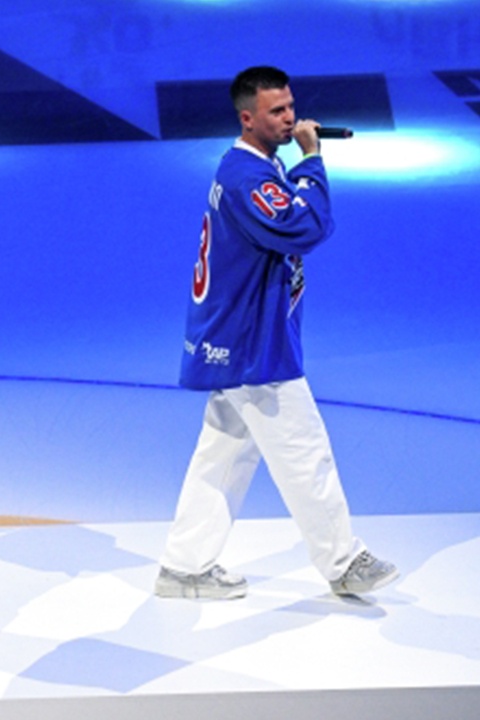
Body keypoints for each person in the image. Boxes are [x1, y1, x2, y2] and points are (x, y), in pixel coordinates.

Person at [155, 66, 397, 600]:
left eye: (290, 107)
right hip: (253, 343)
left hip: (239, 334)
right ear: (247, 118)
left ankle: (184, 566)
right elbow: (305, 227)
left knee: (223, 454)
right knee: (305, 452)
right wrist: (313, 161)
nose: (290, 118)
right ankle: (344, 561)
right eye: (277, 112)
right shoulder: (247, 177)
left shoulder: (256, 168)